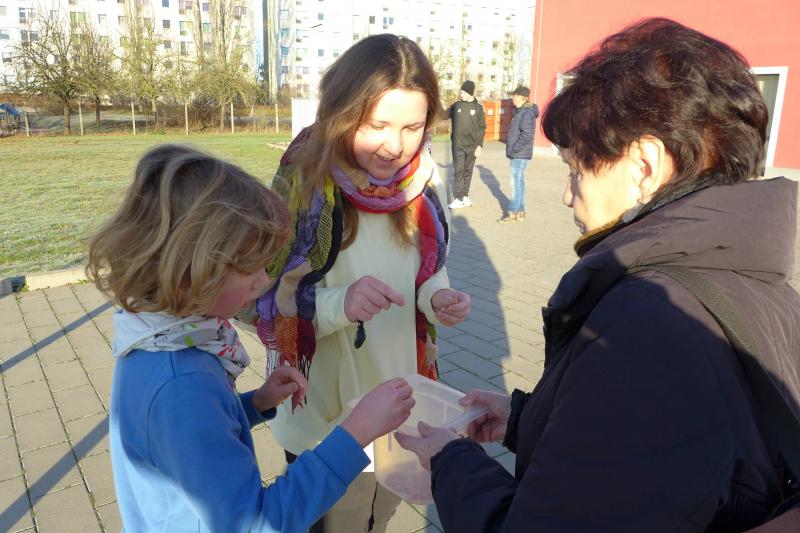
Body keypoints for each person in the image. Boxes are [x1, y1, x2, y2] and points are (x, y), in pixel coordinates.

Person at [396, 18, 800, 532]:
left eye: (577, 170)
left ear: (644, 166)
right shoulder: (759, 283)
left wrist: (450, 462)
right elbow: (641, 460)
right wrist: (523, 420)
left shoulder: (649, 323)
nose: (568, 195)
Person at [86, 144, 417, 533]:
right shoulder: (183, 383)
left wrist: (255, 403)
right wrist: (356, 432)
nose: (264, 280)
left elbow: (188, 439)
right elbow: (257, 523)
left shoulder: (154, 340)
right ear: (193, 270)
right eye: (251, 268)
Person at [250, 34, 471, 533]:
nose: (395, 146)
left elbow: (427, 268)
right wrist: (339, 304)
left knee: (380, 515)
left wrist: (438, 297)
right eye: (377, 125)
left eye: (412, 127)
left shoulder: (422, 181)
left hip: (401, 401)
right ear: (342, 113)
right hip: (326, 417)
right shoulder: (303, 183)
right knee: (334, 523)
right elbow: (262, 296)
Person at [497, 86, 539, 223]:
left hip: (519, 154)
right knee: (519, 182)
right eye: (513, 95)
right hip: (519, 153)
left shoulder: (526, 113)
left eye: (515, 95)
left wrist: (514, 147)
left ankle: (513, 212)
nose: (513, 98)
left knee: (515, 183)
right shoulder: (520, 111)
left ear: (523, 97)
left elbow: (527, 134)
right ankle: (520, 212)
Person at [445, 80, 486, 209]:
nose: (461, 94)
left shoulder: (478, 108)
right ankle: (458, 198)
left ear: (469, 93)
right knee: (458, 171)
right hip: (458, 145)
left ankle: (465, 197)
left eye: (463, 92)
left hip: (472, 146)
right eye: (460, 92)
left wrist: (479, 146)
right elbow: (443, 115)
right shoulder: (457, 105)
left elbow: (481, 128)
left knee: (468, 171)